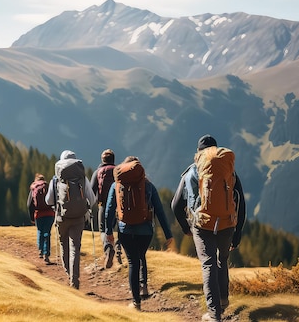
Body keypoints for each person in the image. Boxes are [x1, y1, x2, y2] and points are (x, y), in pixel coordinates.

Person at [171, 135, 246, 322]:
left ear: (198, 152)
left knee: (208, 264)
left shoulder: (191, 172)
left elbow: (175, 205)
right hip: (227, 224)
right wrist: (238, 234)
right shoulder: (229, 170)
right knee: (222, 260)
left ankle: (214, 314)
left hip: (202, 224)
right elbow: (241, 203)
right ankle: (223, 300)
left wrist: (185, 228)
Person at [105, 156, 173, 311]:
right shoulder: (148, 185)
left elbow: (109, 209)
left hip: (125, 229)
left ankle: (136, 303)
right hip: (145, 231)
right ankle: (144, 287)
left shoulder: (117, 184)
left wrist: (108, 230)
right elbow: (160, 211)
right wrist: (168, 233)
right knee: (140, 256)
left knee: (133, 262)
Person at [45, 150, 96, 289]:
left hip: (61, 217)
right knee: (75, 248)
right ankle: (75, 281)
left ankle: (68, 273)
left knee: (64, 245)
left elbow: (48, 200)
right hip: (79, 217)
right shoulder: (82, 178)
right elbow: (92, 199)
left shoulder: (56, 179)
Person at [90, 148, 122, 268]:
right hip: (119, 206)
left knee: (103, 230)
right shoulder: (118, 171)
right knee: (120, 228)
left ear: (102, 160)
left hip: (103, 205)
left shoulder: (98, 172)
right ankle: (119, 246)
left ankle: (109, 249)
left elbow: (92, 191)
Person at [27, 173, 54, 265]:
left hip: (38, 214)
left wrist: (32, 217)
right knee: (47, 233)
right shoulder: (47, 186)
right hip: (49, 213)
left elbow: (29, 204)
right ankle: (46, 254)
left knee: (40, 231)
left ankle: (40, 250)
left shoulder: (34, 188)